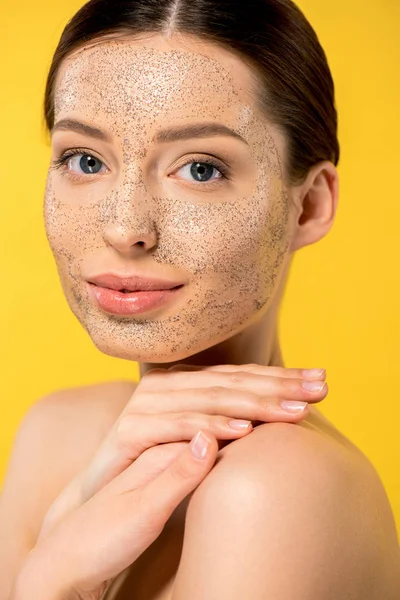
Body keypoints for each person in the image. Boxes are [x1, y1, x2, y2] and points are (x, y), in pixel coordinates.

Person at [2, 0, 399, 598]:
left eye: (201, 169)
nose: (124, 225)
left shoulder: (272, 488)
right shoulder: (58, 433)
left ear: (310, 205)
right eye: (85, 160)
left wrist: (47, 584)